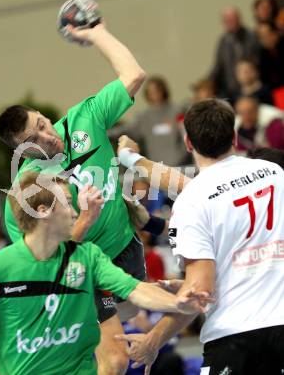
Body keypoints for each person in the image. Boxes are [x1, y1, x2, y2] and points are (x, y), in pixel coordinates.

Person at [0, 20, 148, 374]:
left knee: (119, 342)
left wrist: (96, 33)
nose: (47, 137)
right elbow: (45, 264)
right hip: (82, 271)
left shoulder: (84, 118)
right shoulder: (28, 191)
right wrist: (84, 222)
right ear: (21, 151)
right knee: (114, 358)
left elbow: (134, 75)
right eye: (33, 140)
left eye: (43, 124)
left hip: (126, 250)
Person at [0, 172, 212, 375]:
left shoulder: (87, 256)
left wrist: (176, 302)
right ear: (43, 212)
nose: (75, 210)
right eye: (66, 202)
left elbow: (133, 288)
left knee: (116, 360)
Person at [116, 99, 284, 374]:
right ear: (233, 136)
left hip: (234, 337)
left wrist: (152, 340)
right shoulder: (275, 173)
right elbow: (207, 189)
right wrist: (132, 160)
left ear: (188, 143)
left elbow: (200, 293)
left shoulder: (194, 200)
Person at [109, 76, 187, 166]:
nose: (154, 94)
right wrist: (104, 133)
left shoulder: (177, 111)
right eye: (150, 91)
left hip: (180, 165)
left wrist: (181, 158)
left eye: (157, 90)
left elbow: (185, 136)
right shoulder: (144, 117)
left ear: (163, 90)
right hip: (157, 167)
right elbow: (126, 130)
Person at [209, 7, 259, 101]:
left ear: (239, 19)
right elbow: (218, 65)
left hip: (249, 88)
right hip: (230, 89)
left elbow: (256, 61)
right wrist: (208, 83)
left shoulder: (251, 36)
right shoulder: (223, 40)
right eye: (226, 20)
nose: (229, 22)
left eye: (232, 19)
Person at [257, 22, 284, 89]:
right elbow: (265, 78)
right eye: (262, 36)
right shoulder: (262, 55)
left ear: (275, 34)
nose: (265, 39)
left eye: (267, 34)